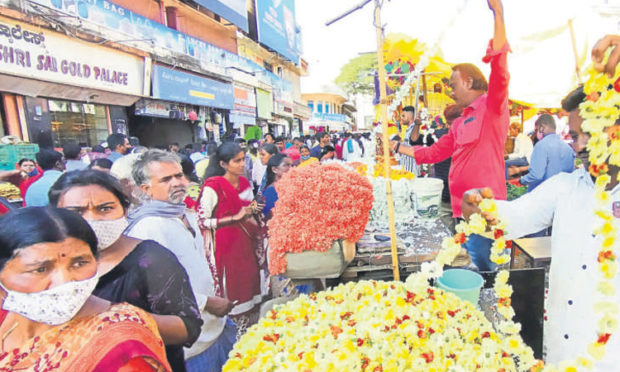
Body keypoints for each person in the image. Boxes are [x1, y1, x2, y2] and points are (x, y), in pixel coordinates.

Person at [462, 34, 620, 370]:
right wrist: (478, 207)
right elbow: (512, 218)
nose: (577, 146)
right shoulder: (566, 187)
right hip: (565, 349)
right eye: (574, 135)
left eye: (585, 134)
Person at [392, 0, 509, 271]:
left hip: (484, 210)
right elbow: (433, 153)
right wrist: (398, 147)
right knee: (467, 267)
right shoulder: (461, 120)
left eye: (453, 84)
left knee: (485, 271)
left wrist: (499, 15)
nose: (450, 90)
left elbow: (501, 68)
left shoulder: (492, 106)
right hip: (461, 210)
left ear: (468, 81)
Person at [49, 170, 202, 372]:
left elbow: (188, 328)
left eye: (105, 209)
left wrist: (108, 311)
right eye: (77, 212)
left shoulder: (151, 259)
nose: (92, 220)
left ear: (125, 210)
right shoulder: (43, 264)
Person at [0, 207, 171, 371]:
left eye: (80, 263)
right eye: (40, 269)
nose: (64, 282)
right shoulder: (5, 314)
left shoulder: (119, 344)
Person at [125, 149, 236, 372]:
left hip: (215, 327)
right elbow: (157, 291)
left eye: (179, 175)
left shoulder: (184, 214)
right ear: (146, 189)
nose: (177, 182)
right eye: (166, 179)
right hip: (192, 345)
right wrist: (208, 302)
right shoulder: (148, 227)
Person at [197, 143, 263, 336]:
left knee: (249, 282)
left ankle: (252, 332)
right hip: (225, 246)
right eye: (237, 161)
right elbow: (201, 220)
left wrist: (254, 210)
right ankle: (235, 335)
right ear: (223, 164)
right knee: (233, 287)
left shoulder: (244, 184)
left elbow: (249, 210)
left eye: (243, 159)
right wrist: (234, 218)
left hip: (246, 242)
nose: (242, 164)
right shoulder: (213, 186)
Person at [519, 114, 575, 192]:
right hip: (563, 194)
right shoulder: (568, 149)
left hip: (543, 195)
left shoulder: (541, 146)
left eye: (537, 129)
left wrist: (522, 180)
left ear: (542, 127)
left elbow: (536, 175)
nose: (536, 133)